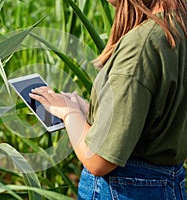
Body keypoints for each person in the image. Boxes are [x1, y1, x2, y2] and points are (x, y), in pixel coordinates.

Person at [29, 0, 187, 199]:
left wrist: (68, 113)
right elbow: (155, 115)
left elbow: (98, 161)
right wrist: (90, 112)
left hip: (126, 188)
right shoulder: (177, 27)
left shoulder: (140, 46)